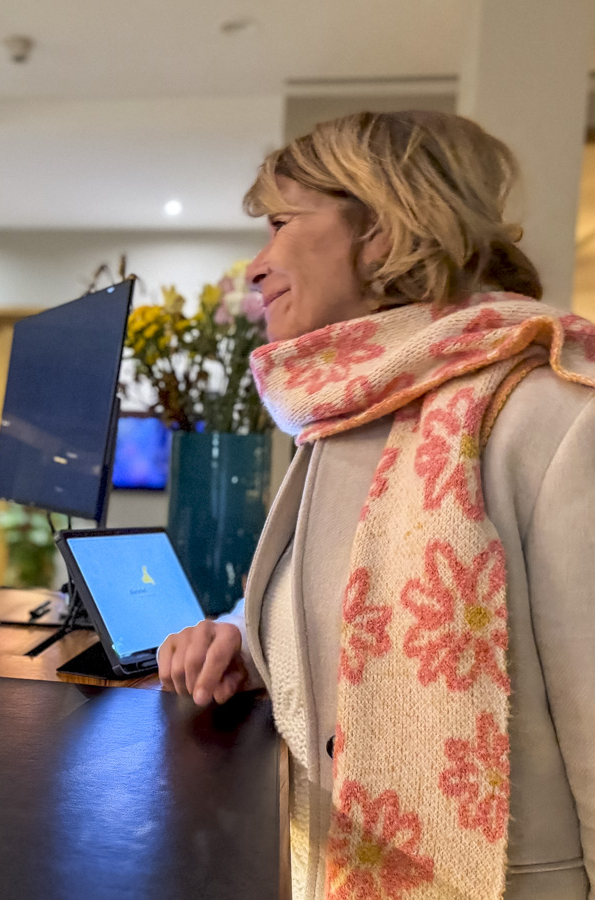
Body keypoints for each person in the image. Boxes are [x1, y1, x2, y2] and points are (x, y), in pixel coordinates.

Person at [157, 111, 595, 900]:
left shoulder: (558, 412)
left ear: (384, 230)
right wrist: (247, 643)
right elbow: (348, 635)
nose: (257, 265)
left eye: (282, 222)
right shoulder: (346, 421)